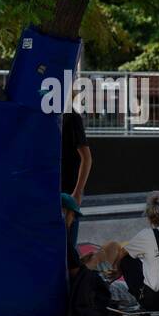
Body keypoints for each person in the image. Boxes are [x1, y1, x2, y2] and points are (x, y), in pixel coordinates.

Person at [61, 106, 92, 257]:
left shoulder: (71, 117)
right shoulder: (47, 116)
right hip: (54, 189)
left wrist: (77, 193)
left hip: (68, 192)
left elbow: (87, 158)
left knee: (67, 248)